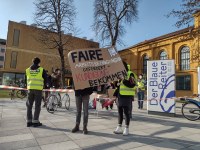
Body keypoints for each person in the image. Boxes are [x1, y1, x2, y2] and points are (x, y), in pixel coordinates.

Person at [113, 61, 136, 136]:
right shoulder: (119, 74)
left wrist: (123, 79)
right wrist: (116, 83)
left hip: (127, 96)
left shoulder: (130, 73)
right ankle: (119, 127)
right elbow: (116, 85)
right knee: (119, 112)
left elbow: (132, 84)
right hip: (119, 96)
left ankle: (126, 128)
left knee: (126, 113)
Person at [26, 57, 48, 127]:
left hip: (30, 89)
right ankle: (35, 121)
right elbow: (46, 79)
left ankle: (29, 121)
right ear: (39, 63)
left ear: (32, 62)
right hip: (38, 90)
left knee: (29, 105)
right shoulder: (41, 70)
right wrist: (46, 85)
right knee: (37, 106)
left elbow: (25, 79)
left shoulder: (27, 70)